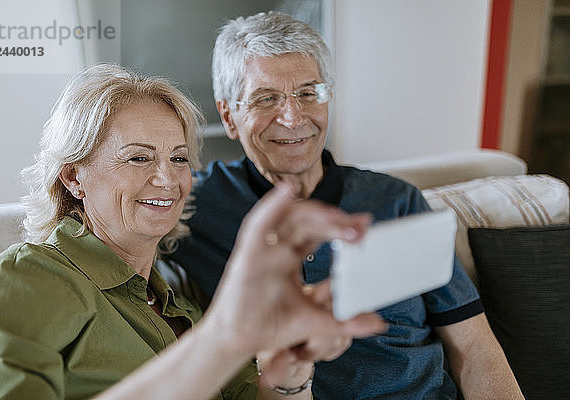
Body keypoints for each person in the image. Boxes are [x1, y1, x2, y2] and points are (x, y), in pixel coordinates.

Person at [0, 63, 386, 400]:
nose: (167, 179)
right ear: (74, 177)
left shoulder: (180, 308)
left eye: (180, 158)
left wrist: (291, 369)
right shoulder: (25, 279)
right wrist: (223, 340)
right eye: (138, 158)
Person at [167, 12, 525, 400]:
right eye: (266, 98)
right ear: (229, 117)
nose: (292, 117)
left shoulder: (396, 200)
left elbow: (473, 347)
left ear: (328, 99)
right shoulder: (193, 202)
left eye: (308, 93)